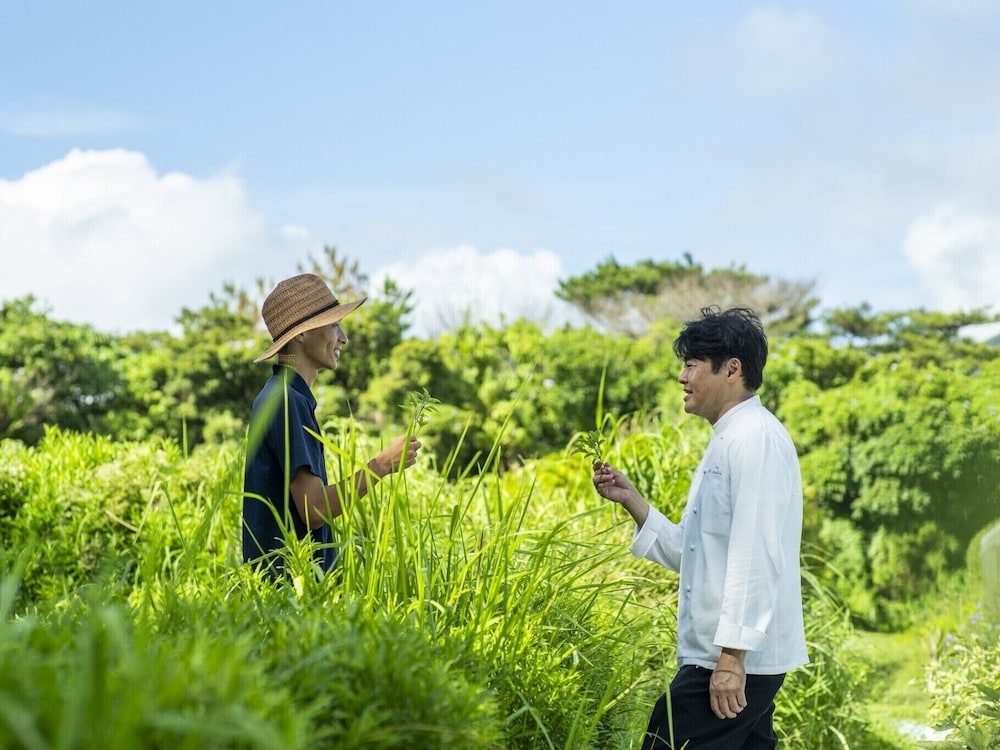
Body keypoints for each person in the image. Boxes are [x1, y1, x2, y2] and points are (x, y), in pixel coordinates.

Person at [592, 306, 808, 749]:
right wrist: (631, 499)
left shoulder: (755, 440)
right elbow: (690, 552)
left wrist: (730, 659)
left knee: (665, 741)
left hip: (730, 660)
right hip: (726, 658)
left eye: (691, 365)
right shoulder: (727, 439)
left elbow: (756, 554)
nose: (682, 377)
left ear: (732, 369)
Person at [243, 273, 420, 577]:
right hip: (290, 595)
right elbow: (313, 510)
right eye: (334, 325)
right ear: (301, 334)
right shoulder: (287, 401)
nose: (343, 338)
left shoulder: (280, 396)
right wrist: (381, 464)